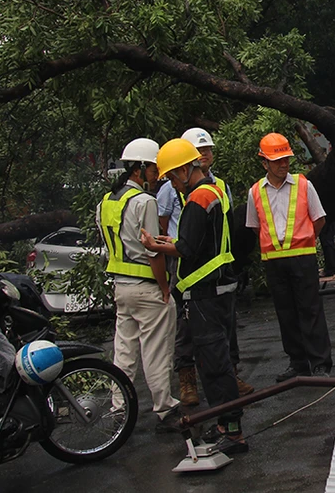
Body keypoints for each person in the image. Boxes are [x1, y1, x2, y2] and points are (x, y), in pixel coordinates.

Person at [142, 138, 246, 455]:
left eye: (172, 178)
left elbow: (187, 248)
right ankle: (225, 425)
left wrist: (156, 246)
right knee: (218, 359)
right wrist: (170, 241)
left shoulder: (198, 199)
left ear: (184, 170)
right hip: (219, 289)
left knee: (214, 364)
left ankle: (232, 431)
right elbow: (202, 243)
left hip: (205, 294)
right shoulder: (214, 192)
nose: (172, 185)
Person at [158, 127, 253, 407]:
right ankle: (190, 382)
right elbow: (170, 226)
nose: (205, 155)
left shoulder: (208, 190)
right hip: (197, 275)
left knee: (214, 346)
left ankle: (227, 404)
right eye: (200, 150)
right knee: (193, 338)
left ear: (184, 169)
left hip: (206, 279)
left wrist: (161, 246)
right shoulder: (173, 190)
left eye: (207, 150)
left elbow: (204, 237)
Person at [96, 137, 183, 433]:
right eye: (154, 169)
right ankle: (165, 408)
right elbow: (153, 251)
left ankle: (118, 408)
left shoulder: (106, 202)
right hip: (146, 286)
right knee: (157, 350)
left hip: (121, 287)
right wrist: (164, 288)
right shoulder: (145, 201)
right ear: (139, 169)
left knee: (124, 352)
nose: (157, 175)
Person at [246, 133, 333, 381]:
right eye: (277, 161)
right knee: (286, 313)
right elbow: (255, 226)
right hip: (273, 260)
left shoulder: (304, 185)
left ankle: (320, 364)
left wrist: (303, 240)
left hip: (302, 257)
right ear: (264, 163)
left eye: (286, 159)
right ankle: (298, 363)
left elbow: (319, 220)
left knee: (311, 311)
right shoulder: (255, 192)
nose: (283, 164)